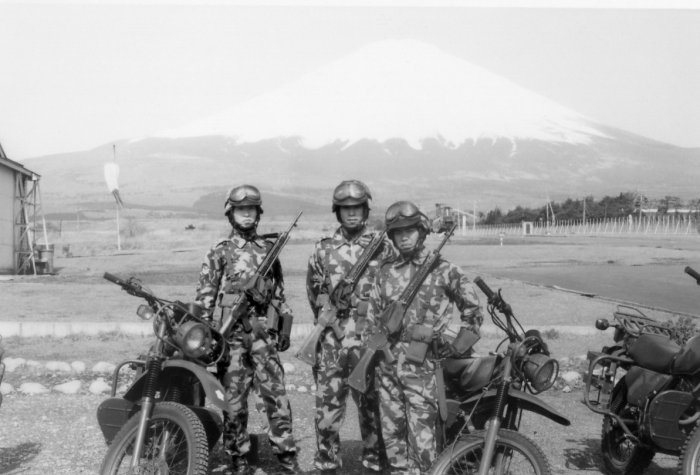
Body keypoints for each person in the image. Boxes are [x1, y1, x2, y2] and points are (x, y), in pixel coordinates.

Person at [366, 200, 483, 475]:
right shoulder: (385, 271)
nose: (404, 237)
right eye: (398, 232)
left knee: (423, 440)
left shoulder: (443, 270)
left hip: (423, 367)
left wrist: (457, 347)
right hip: (387, 366)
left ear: (421, 231)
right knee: (392, 437)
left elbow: (473, 310)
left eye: (409, 230)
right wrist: (376, 350)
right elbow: (371, 317)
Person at [195, 184, 299, 475]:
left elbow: (279, 295)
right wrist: (207, 338)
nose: (246, 214)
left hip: (264, 335)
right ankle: (238, 459)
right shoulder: (220, 251)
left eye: (251, 209)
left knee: (276, 398)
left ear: (258, 213)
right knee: (234, 402)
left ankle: (287, 458)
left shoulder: (269, 251)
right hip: (232, 339)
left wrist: (285, 327)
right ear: (231, 213)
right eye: (241, 209)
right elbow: (204, 299)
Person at [306, 180, 395, 475]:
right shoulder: (323, 249)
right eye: (346, 208)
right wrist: (331, 321)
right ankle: (328, 465)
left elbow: (395, 291)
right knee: (326, 412)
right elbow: (314, 294)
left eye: (357, 207)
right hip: (332, 342)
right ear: (337, 211)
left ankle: (374, 465)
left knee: (372, 408)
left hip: (369, 341)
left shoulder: (383, 247)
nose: (352, 213)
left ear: (366, 210)